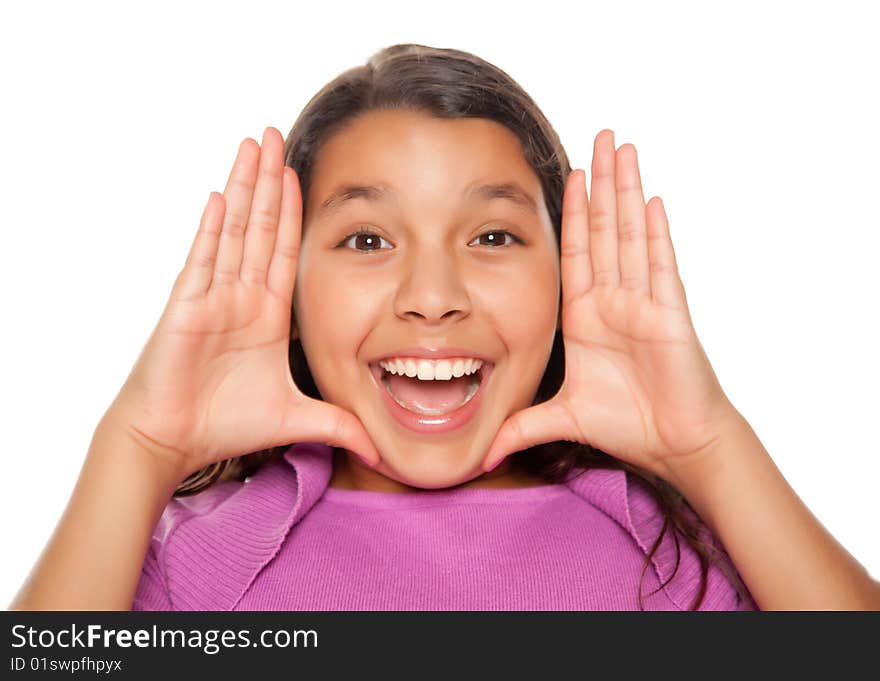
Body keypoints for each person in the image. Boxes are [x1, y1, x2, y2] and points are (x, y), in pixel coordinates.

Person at [10, 44, 879, 611]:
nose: (433, 295)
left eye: (493, 235)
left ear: (569, 273)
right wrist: (137, 444)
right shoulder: (203, 552)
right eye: (366, 238)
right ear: (290, 293)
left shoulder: (659, 547)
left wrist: (710, 445)